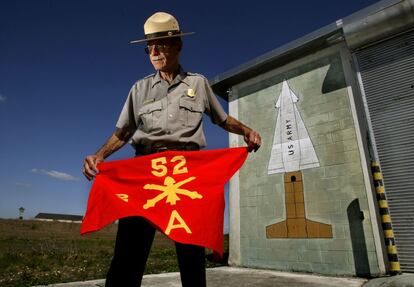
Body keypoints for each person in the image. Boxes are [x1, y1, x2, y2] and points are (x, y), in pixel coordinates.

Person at [82, 11, 261, 287]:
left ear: (177, 44)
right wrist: (100, 155)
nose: (153, 52)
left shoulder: (198, 84)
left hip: (187, 173)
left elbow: (222, 119)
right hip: (145, 174)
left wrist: (247, 130)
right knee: (128, 255)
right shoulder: (139, 89)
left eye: (160, 44)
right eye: (148, 47)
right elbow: (123, 132)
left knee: (191, 254)